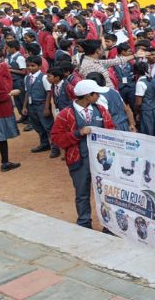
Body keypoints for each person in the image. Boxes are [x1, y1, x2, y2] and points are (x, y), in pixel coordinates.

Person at [50, 80, 115, 229]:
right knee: (82, 193)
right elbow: (56, 138)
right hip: (79, 161)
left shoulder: (101, 110)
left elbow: (111, 129)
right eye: (96, 94)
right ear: (88, 96)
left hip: (102, 162)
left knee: (106, 194)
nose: (98, 96)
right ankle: (84, 223)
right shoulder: (65, 114)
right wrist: (77, 133)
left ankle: (109, 224)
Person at [23, 56, 60, 158]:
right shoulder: (27, 78)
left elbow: (48, 92)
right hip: (32, 105)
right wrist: (24, 106)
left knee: (48, 126)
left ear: (39, 66)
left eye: (33, 66)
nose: (30, 68)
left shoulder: (44, 78)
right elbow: (27, 92)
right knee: (37, 125)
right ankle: (44, 143)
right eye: (28, 66)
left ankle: (55, 147)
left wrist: (47, 107)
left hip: (41, 104)